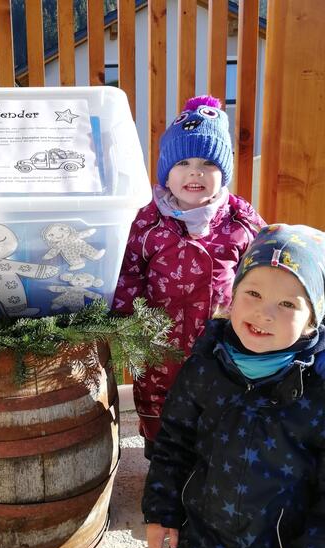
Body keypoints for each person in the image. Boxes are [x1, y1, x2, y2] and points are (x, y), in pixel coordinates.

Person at [142, 223, 325, 548]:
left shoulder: (319, 390)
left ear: (313, 319)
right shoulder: (208, 363)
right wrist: (161, 513)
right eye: (253, 294)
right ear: (234, 294)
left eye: (287, 304)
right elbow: (173, 443)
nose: (264, 313)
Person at [112, 95, 265, 458]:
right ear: (167, 170)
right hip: (158, 340)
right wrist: (127, 323)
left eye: (207, 163)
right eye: (183, 162)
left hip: (222, 345)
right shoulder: (148, 222)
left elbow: (263, 273)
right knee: (158, 400)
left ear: (223, 172)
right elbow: (128, 271)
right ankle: (160, 460)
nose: (194, 172)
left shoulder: (241, 224)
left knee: (218, 406)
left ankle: (210, 469)